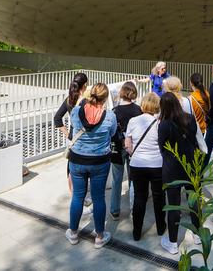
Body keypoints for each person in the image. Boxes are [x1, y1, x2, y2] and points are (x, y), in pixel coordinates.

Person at [65, 83, 117, 249]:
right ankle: (100, 236)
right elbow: (113, 134)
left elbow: (73, 131)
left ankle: (73, 233)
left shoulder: (75, 112)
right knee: (99, 198)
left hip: (77, 160)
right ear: (105, 98)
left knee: (78, 197)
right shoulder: (110, 116)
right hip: (100, 162)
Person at [158, 92, 201, 255]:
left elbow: (161, 146)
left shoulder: (164, 125)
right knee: (194, 201)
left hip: (172, 167)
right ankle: (197, 234)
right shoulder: (190, 118)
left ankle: (173, 242)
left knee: (174, 205)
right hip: (191, 164)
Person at [125, 92, 166, 241]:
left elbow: (128, 145)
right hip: (157, 164)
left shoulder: (133, 121)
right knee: (158, 197)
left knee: (139, 197)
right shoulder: (160, 122)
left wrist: (133, 154)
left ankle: (137, 232)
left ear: (143, 105)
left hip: (137, 164)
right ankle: (161, 227)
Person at [110, 82, 142, 220]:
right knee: (133, 178)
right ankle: (134, 208)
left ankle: (115, 210)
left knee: (116, 179)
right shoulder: (138, 109)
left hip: (116, 147)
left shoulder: (114, 111)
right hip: (133, 147)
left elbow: (111, 131)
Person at [54, 73, 89, 193]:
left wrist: (68, 134)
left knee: (72, 163)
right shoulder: (85, 102)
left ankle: (73, 191)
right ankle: (80, 192)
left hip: (74, 135)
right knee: (84, 165)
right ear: (85, 85)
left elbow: (57, 118)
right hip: (84, 136)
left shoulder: (69, 100)